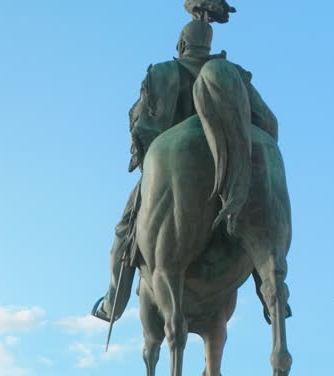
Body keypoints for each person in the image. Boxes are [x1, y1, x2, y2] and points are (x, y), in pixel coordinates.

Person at [91, 17, 278, 324]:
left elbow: (143, 129)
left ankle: (114, 301)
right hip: (231, 164)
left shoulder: (162, 72)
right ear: (209, 46)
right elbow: (267, 123)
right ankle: (269, 287)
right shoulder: (236, 78)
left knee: (126, 229)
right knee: (258, 220)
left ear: (181, 45)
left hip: (169, 174)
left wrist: (149, 165)